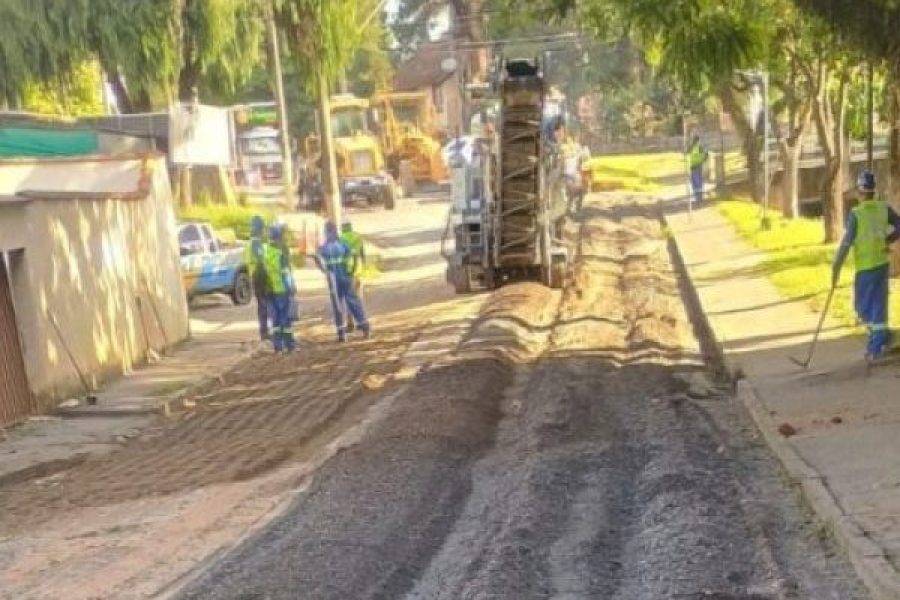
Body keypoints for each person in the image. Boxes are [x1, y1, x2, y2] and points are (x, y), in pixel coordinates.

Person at [832, 170, 900, 360]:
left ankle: (877, 345)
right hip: (880, 264)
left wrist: (836, 265)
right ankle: (880, 338)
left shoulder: (856, 214)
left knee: (866, 306)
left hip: (867, 267)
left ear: (860, 193)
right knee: (872, 304)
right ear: (873, 191)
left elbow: (846, 242)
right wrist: (888, 239)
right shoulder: (883, 208)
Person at [317, 221, 370, 342]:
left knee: (338, 305)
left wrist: (323, 270)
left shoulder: (324, 247)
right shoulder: (343, 243)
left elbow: (318, 258)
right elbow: (354, 255)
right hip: (346, 276)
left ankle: (341, 332)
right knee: (353, 301)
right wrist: (352, 270)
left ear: (326, 232)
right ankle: (364, 325)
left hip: (333, 279)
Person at [265, 224, 297, 353]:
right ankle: (290, 345)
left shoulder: (266, 252)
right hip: (282, 289)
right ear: (279, 237)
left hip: (269, 290)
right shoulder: (281, 254)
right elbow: (285, 273)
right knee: (285, 318)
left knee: (275, 319)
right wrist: (291, 287)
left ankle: (277, 347)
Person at [245, 215, 270, 341]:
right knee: (264, 305)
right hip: (259, 275)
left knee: (262, 305)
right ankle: (265, 333)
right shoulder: (256, 243)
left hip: (255, 276)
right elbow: (261, 259)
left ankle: (264, 332)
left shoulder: (251, 242)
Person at [340, 222, 366, 332]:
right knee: (359, 297)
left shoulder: (341, 239)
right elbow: (362, 255)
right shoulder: (358, 237)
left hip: (347, 271)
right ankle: (363, 321)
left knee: (348, 298)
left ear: (343, 229)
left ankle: (350, 323)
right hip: (358, 270)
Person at [686, 135, 709, 205]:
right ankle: (700, 198)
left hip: (692, 167)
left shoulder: (690, 148)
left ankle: (696, 198)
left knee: (694, 183)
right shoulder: (700, 148)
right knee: (699, 182)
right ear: (698, 141)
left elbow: (687, 155)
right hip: (699, 166)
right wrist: (705, 156)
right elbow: (705, 156)